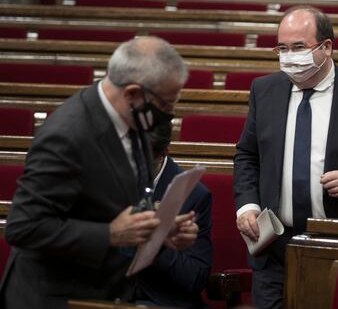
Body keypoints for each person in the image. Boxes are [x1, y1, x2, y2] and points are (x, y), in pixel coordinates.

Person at [0, 37, 199, 309]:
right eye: (165, 105)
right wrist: (108, 234)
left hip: (106, 293)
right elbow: (24, 227)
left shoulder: (133, 118)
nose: (170, 114)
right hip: (56, 297)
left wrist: (159, 227)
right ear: (131, 94)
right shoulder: (67, 135)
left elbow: (111, 201)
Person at [234, 6, 338, 309]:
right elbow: (248, 155)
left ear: (326, 47)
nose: (289, 56)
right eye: (282, 48)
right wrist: (247, 205)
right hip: (276, 244)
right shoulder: (264, 90)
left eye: (298, 47)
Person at [134, 121, 212, 309]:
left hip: (160, 301)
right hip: (109, 296)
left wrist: (157, 243)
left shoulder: (192, 194)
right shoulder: (111, 177)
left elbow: (196, 278)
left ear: (162, 153)